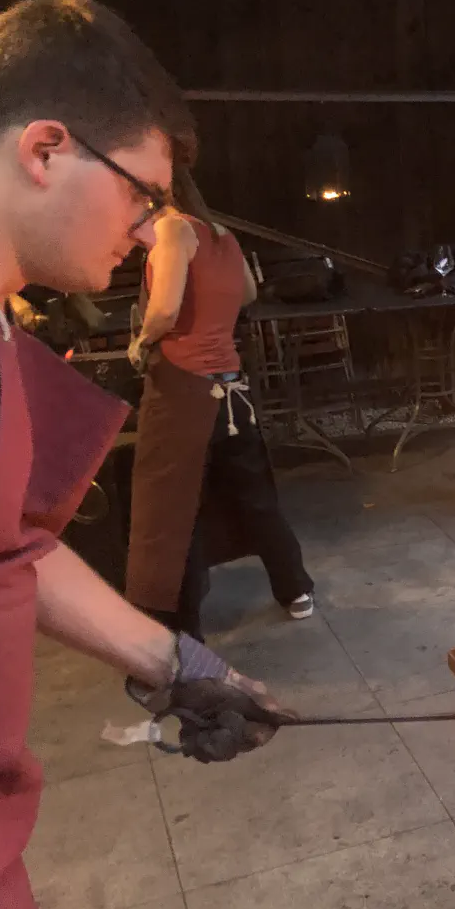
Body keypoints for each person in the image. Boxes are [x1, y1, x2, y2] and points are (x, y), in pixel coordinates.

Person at [0, 0, 288, 909]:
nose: (153, 228)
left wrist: (173, 662)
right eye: (144, 195)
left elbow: (5, 546)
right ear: (45, 150)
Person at [126, 166, 314, 638]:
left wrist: (142, 341)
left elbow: (165, 309)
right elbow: (248, 292)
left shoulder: (173, 228)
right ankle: (295, 590)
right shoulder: (223, 235)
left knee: (175, 508)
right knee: (256, 497)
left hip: (183, 392)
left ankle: (182, 626)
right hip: (231, 387)